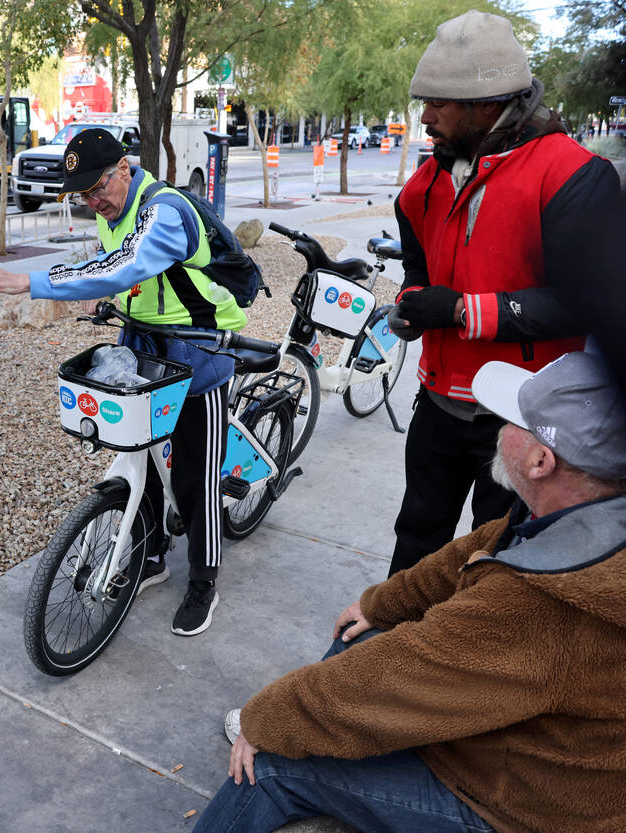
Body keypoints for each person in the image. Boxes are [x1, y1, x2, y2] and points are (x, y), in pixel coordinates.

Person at [196, 349, 626, 833]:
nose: (497, 427)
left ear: (541, 460)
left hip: (523, 804)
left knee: (272, 766)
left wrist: (267, 720)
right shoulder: (584, 508)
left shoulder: (545, 600)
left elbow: (407, 671)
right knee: (360, 634)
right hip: (525, 739)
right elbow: (475, 546)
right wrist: (381, 602)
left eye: (509, 419)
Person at [0, 128, 248, 637]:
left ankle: (204, 580)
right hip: (144, 342)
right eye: (82, 196)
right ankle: (152, 554)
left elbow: (126, 264)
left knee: (193, 474)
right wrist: (108, 301)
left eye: (98, 187)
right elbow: (120, 270)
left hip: (199, 347)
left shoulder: (164, 210)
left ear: (124, 167)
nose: (94, 202)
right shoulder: (110, 210)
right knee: (144, 455)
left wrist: (28, 280)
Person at [386, 10, 623, 575]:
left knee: (496, 560)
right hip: (440, 404)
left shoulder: (573, 174)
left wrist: (464, 311)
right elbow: (418, 263)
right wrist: (416, 302)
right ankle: (387, 644)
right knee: (417, 540)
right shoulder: (423, 184)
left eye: (438, 104)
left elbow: (590, 301)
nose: (425, 118)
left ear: (486, 105)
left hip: (526, 417)